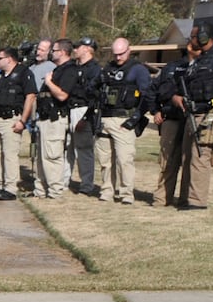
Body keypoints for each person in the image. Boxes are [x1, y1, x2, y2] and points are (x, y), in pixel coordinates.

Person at [94, 37, 151, 205]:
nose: (118, 57)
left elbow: (147, 96)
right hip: (105, 118)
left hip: (124, 120)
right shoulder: (107, 69)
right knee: (105, 160)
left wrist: (135, 119)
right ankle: (106, 190)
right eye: (115, 54)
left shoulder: (138, 70)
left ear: (129, 50)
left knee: (124, 160)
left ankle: (126, 193)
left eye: (121, 54)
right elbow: (94, 90)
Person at [173, 20, 213, 211]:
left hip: (209, 114)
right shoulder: (198, 59)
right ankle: (185, 199)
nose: (190, 41)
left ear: (204, 37)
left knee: (200, 157)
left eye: (193, 36)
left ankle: (197, 201)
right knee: (187, 157)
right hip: (192, 113)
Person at [151, 40, 201, 207]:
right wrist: (157, 109)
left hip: (193, 119)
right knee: (168, 160)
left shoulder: (207, 68)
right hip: (171, 118)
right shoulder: (172, 67)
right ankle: (162, 198)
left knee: (191, 160)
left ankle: (186, 199)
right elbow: (156, 89)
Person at [0, 46, 36, 201]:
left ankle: (11, 188)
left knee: (10, 155)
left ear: (9, 59)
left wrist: (23, 121)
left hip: (12, 120)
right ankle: (0, 183)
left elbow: (30, 96)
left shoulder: (23, 73)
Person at [39, 38, 79, 199]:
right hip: (45, 117)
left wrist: (48, 82)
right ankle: (40, 189)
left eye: (54, 50)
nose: (51, 53)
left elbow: (62, 95)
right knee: (42, 157)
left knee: (53, 155)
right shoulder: (57, 69)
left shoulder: (70, 70)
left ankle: (55, 190)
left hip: (56, 119)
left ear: (62, 52)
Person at [70, 36, 102, 196]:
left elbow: (95, 95)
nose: (75, 50)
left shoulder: (95, 69)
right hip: (70, 109)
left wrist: (85, 117)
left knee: (83, 149)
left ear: (88, 49)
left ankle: (86, 185)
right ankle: (64, 181)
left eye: (78, 47)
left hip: (84, 110)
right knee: (68, 148)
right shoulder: (74, 67)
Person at [26, 39, 55, 196]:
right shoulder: (31, 68)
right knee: (34, 147)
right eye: (38, 49)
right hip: (30, 113)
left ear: (49, 52)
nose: (39, 52)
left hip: (42, 112)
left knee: (44, 148)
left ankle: (45, 182)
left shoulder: (52, 68)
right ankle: (37, 179)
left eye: (43, 50)